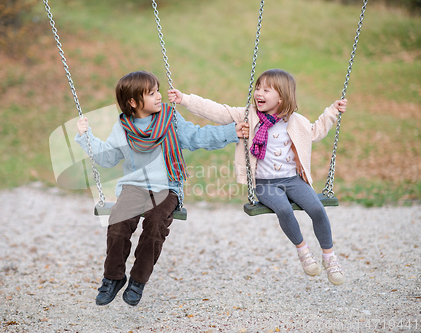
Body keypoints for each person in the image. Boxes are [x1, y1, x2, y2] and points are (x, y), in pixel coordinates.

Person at [75, 71, 247, 306]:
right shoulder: (123, 128)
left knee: (156, 223)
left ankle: (138, 280)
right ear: (133, 103)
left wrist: (230, 132)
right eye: (151, 93)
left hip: (167, 186)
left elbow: (198, 136)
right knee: (118, 222)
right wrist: (86, 137)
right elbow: (107, 158)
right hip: (134, 186)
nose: (159, 97)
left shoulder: (170, 119)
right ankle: (113, 277)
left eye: (157, 90)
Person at [168, 68, 347, 285]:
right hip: (264, 183)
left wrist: (332, 112)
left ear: (281, 97)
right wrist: (185, 99)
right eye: (258, 88)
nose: (258, 93)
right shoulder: (249, 116)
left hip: (292, 180)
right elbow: (218, 111)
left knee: (317, 208)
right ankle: (303, 251)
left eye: (266, 90)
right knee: (283, 209)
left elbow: (316, 131)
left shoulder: (296, 121)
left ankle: (329, 257)